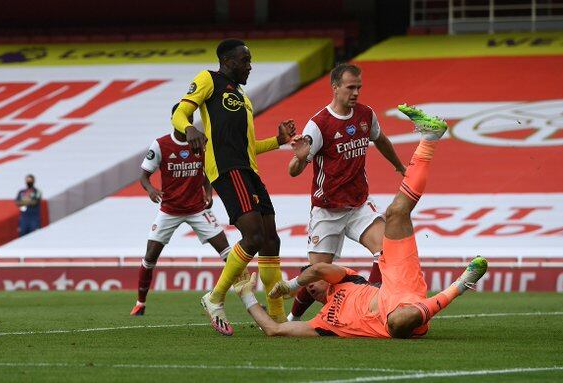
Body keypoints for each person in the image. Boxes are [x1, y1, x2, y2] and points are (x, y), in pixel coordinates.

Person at [232, 104, 489, 338]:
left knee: (397, 212)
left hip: (387, 264)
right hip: (331, 217)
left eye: (357, 87)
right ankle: (460, 285)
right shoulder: (323, 323)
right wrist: (246, 296)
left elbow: (319, 271)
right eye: (310, 292)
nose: (311, 290)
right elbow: (273, 330)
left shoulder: (347, 279)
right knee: (399, 322)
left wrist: (290, 286)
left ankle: (429, 137)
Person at [171, 38, 296, 335]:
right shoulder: (208, 80)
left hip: (249, 170)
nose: (250, 66)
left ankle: (278, 317)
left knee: (270, 240)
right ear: (227, 61)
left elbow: (249, 145)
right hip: (227, 169)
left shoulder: (243, 98)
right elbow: (179, 112)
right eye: (245, 60)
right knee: (252, 237)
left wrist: (278, 141)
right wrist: (188, 128)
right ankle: (214, 298)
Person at [286, 63, 406, 321]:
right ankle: (293, 319)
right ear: (335, 87)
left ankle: (372, 305)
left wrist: (398, 166)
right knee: (316, 274)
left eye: (359, 87)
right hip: (327, 210)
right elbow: (293, 170)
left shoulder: (365, 115)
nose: (355, 93)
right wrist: (299, 159)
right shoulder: (318, 125)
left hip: (359, 205)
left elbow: (381, 139)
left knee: (385, 250)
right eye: (350, 87)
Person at [130, 104, 231, 316]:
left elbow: (207, 171)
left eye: (190, 116)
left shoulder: (201, 142)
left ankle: (251, 302)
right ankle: (140, 303)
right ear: (173, 118)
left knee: (230, 255)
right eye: (183, 116)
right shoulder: (160, 145)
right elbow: (144, 175)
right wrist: (150, 190)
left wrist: (208, 191)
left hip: (197, 209)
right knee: (150, 256)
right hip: (169, 210)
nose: (188, 121)